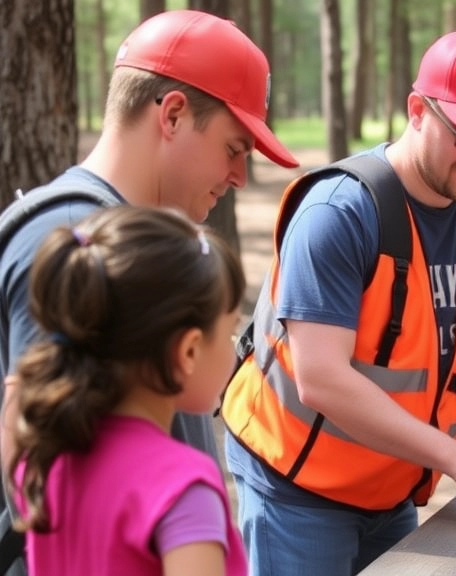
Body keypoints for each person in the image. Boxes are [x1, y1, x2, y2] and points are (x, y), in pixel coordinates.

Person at [219, 28, 456, 575]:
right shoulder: (340, 213)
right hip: (297, 484)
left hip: (392, 481)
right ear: (418, 110)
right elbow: (320, 377)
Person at [0, 10, 297, 574]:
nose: (239, 177)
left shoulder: (135, 239)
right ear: (174, 114)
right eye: (234, 149)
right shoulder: (67, 236)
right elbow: (34, 457)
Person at [5, 206, 248, 575]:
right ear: (189, 351)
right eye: (230, 333)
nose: (234, 351)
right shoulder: (183, 486)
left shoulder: (44, 458)